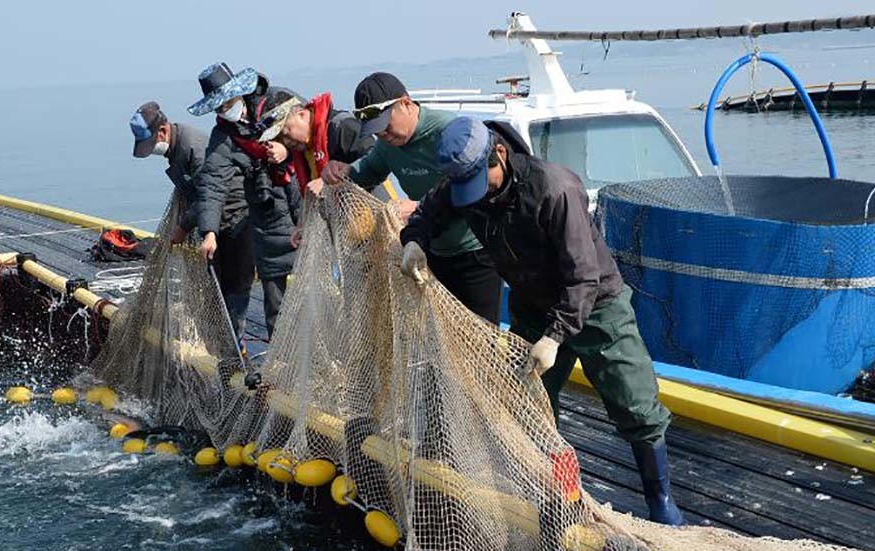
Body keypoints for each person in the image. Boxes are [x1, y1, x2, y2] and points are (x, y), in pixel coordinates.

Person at [400, 117, 684, 525]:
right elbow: (427, 214)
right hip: (533, 307)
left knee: (635, 404)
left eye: (482, 181)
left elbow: (583, 275)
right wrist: (413, 242)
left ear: (498, 153)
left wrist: (554, 337)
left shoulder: (555, 188)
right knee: (530, 408)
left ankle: (662, 501)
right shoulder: (464, 185)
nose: (476, 195)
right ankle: (563, 495)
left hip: (596, 306)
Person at [321, 72, 501, 324]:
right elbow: (367, 171)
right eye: (377, 131)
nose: (384, 135)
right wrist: (341, 171)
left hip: (475, 253)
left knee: (480, 338)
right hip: (430, 253)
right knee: (438, 339)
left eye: (386, 125)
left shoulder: (447, 132)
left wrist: (416, 207)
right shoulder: (387, 145)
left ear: (406, 103)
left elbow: (476, 193)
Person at [188, 63, 300, 338]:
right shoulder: (224, 136)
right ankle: (283, 362)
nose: (224, 110)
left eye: (227, 102)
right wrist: (209, 232)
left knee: (319, 288)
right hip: (265, 215)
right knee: (275, 299)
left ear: (240, 93)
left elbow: (311, 132)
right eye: (218, 108)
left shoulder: (278, 102)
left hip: (302, 196)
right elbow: (213, 182)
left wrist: (286, 149)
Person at [131, 100, 254, 340]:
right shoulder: (175, 149)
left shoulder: (194, 147)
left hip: (237, 219)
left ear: (163, 131)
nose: (151, 149)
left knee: (235, 288)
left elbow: (207, 195)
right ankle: (220, 340)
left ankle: (235, 348)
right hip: (214, 225)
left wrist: (183, 227)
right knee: (214, 287)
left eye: (150, 143)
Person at [255, 90, 376, 196]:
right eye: (279, 139)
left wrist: (332, 178)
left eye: (286, 133)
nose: (286, 142)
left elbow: (375, 160)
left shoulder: (342, 127)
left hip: (379, 214)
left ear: (301, 114)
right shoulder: (303, 149)